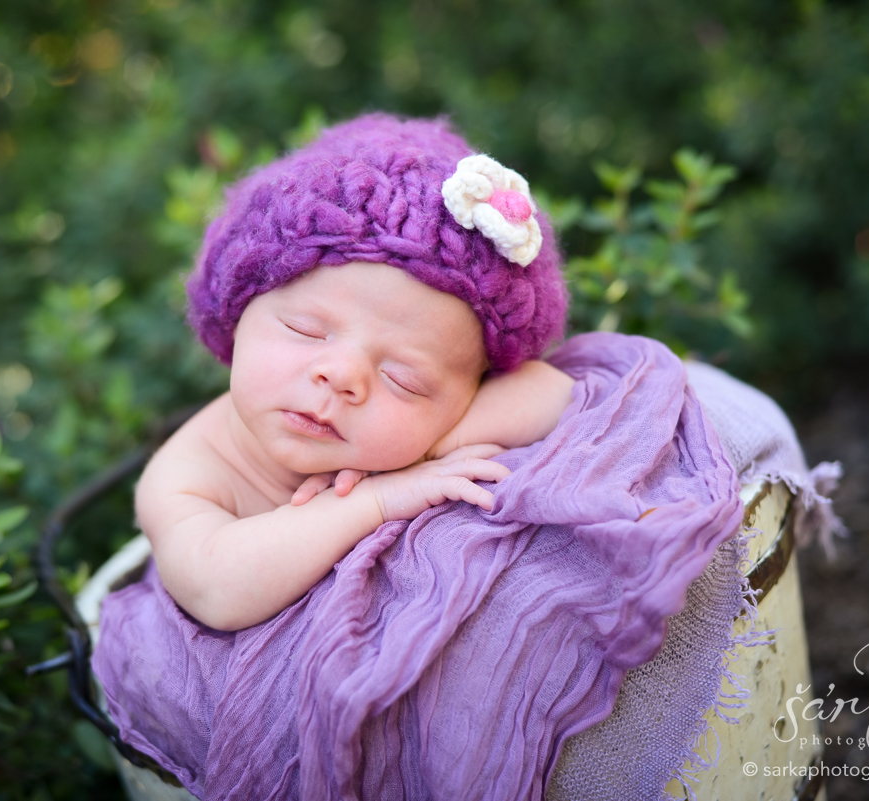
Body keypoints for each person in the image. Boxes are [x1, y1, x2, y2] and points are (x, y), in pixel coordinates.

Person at [136, 113, 577, 632]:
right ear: (236, 318)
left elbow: (555, 392)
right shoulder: (191, 470)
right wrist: (379, 497)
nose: (342, 375)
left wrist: (422, 448)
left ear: (473, 389)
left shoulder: (429, 429)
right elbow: (216, 590)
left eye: (404, 379)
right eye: (305, 329)